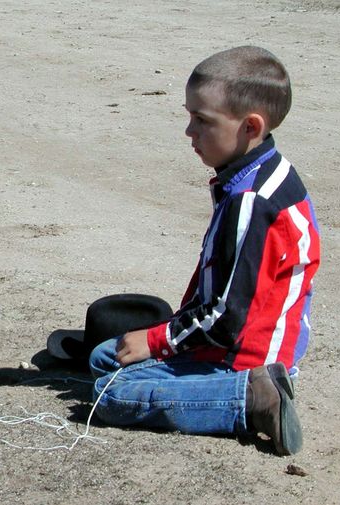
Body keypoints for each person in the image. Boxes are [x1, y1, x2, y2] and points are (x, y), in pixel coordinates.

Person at [88, 46, 321, 455]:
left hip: (243, 354)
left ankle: (250, 397)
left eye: (202, 120)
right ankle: (238, 389)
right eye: (189, 115)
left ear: (250, 126)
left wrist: (159, 340)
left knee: (113, 393)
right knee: (104, 357)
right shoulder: (259, 174)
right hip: (232, 340)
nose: (189, 132)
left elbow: (227, 318)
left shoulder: (251, 202)